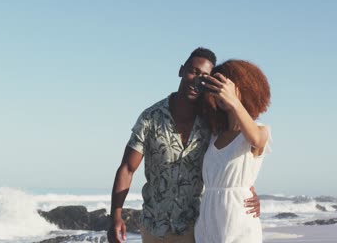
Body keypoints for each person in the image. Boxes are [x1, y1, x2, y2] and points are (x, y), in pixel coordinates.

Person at [107, 48, 261, 243]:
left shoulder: (211, 123)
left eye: (205, 77)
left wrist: (249, 192)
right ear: (181, 71)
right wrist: (115, 216)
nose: (197, 80)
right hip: (154, 227)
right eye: (193, 72)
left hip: (195, 228)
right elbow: (128, 168)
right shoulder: (151, 118)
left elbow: (229, 160)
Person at [194, 60, 271, 243]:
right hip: (208, 222)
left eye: (226, 85)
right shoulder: (214, 134)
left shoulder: (260, 130)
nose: (221, 91)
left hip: (238, 225)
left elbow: (256, 140)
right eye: (217, 86)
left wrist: (235, 101)